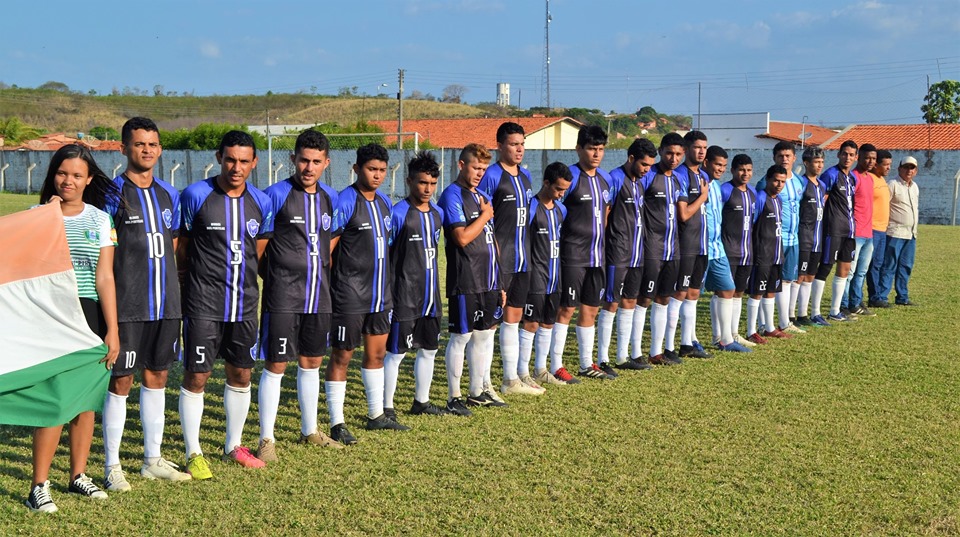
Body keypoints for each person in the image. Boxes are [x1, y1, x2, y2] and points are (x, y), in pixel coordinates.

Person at [28, 144, 120, 512]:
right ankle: (38, 485)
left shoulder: (101, 220)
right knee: (54, 400)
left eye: (77, 175)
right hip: (51, 315)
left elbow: (105, 278)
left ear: (89, 180)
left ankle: (78, 475)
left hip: (89, 315)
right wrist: (48, 217)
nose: (68, 180)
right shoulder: (36, 215)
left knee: (85, 401)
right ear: (53, 174)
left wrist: (112, 329)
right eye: (62, 173)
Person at [101, 118, 190, 492]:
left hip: (167, 306)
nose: (147, 150)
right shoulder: (111, 194)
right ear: (124, 148)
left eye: (153, 144)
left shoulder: (169, 194)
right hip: (128, 307)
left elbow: (173, 248)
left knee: (157, 378)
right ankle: (112, 464)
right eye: (139, 144)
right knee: (121, 382)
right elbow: (102, 250)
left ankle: (152, 459)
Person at [178, 130, 273, 477]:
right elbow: (183, 250)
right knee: (197, 376)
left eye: (244, 161)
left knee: (241, 374)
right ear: (219, 157)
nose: (236, 167)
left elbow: (256, 252)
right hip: (204, 303)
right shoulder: (195, 195)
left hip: (246, 304)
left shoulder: (262, 202)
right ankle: (193, 451)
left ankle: (233, 445)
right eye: (230, 159)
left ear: (254, 163)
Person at [257, 129, 343, 461]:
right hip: (283, 297)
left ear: (326, 163)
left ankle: (310, 430)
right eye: (303, 160)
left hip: (318, 297)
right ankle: (267, 439)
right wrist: (278, 278)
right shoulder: (274, 196)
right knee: (276, 364)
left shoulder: (330, 198)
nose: (309, 167)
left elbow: (328, 244)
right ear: (292, 159)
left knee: (311, 362)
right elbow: (259, 249)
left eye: (316, 162)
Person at [328, 143, 406, 442]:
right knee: (342, 356)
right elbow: (329, 250)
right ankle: (337, 422)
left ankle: (376, 415)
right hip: (349, 294)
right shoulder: (344, 201)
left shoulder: (386, 203)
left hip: (380, 295)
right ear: (356, 168)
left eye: (382, 170)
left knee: (376, 355)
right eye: (371, 169)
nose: (377, 175)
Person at [383, 151, 454, 417]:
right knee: (397, 353)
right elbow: (386, 253)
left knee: (430, 349)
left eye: (433, 183)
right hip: (403, 295)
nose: (428, 188)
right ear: (410, 181)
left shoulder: (438, 213)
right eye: (423, 183)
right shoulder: (398, 213)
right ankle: (386, 406)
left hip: (431, 296)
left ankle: (421, 402)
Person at [438, 143, 505, 410]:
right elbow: (462, 237)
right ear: (461, 165)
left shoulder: (483, 195)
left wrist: (500, 280)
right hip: (465, 279)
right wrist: (486, 214)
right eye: (476, 167)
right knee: (461, 336)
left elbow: (492, 240)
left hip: (489, 280)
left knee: (485, 335)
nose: (480, 173)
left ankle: (477, 390)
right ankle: (453, 397)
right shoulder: (451, 195)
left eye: (484, 168)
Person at [477, 122, 541, 396]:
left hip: (522, 259)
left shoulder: (525, 176)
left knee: (513, 319)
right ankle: (482, 381)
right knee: (491, 322)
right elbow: (482, 217)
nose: (519, 149)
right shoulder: (491, 175)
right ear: (500, 146)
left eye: (522, 144)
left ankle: (510, 378)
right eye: (514, 144)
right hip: (500, 260)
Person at [549, 125, 614, 381]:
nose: (596, 154)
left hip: (598, 256)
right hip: (573, 256)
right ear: (579, 149)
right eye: (591, 149)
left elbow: (605, 214)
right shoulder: (571, 176)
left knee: (591, 308)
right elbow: (554, 210)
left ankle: (587, 363)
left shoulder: (606, 179)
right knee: (566, 309)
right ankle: (556, 365)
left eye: (600, 149)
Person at [596, 138, 658, 371]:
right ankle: (603, 359)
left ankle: (623, 356)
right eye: (644, 164)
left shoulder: (640, 181)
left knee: (630, 301)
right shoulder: (615, 178)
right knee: (611, 303)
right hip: (617, 251)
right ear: (631, 159)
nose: (647, 169)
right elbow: (604, 212)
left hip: (637, 252)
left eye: (650, 165)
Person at [639, 133, 685, 365]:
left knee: (664, 298)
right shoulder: (649, 176)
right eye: (669, 153)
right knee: (644, 299)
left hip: (673, 248)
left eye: (678, 154)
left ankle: (657, 351)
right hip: (651, 248)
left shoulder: (678, 179)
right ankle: (635, 352)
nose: (673, 158)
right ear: (660, 151)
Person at [526, 163, 573, 386]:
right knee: (531, 323)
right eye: (558, 189)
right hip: (536, 274)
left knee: (548, 322)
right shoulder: (531, 208)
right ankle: (521, 372)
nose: (561, 194)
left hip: (555, 274)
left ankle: (541, 369)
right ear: (546, 183)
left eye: (565, 190)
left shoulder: (561, 210)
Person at [667, 130, 712, 359]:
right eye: (697, 147)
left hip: (702, 245)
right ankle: (669, 346)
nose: (702, 151)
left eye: (704, 147)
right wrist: (702, 197)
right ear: (686, 149)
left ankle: (687, 343)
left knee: (693, 293)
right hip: (685, 245)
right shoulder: (680, 175)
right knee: (679, 293)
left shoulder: (704, 175)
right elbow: (683, 215)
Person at [755, 142, 806, 334]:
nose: (784, 159)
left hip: (793, 238)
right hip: (774, 239)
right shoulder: (764, 183)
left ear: (794, 158)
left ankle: (785, 321)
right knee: (765, 283)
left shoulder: (799, 181)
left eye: (788, 156)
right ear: (774, 158)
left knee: (786, 281)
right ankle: (763, 323)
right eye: (780, 156)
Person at [703, 146, 750, 353]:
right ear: (707, 163)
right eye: (717, 164)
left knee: (727, 289)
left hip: (717, 248)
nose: (720, 169)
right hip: (699, 248)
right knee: (688, 295)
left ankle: (725, 339)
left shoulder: (715, 186)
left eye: (723, 165)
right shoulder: (705, 184)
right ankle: (690, 341)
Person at [744, 166, 792, 344]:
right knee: (757, 292)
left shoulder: (778, 200)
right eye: (776, 181)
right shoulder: (761, 197)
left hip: (776, 254)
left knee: (771, 291)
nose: (779, 185)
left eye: (783, 182)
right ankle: (751, 331)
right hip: (762, 254)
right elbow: (751, 225)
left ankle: (769, 327)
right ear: (768, 179)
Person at [815, 140, 859, 323]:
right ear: (839, 154)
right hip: (833, 229)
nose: (847, 157)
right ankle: (815, 312)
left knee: (845, 268)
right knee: (825, 268)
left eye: (851, 155)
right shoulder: (830, 175)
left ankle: (834, 311)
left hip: (849, 231)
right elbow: (820, 199)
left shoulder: (852, 178)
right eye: (844, 154)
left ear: (856, 157)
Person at [719, 154, 759, 347]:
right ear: (733, 170)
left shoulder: (752, 192)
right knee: (723, 293)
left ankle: (734, 333)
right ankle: (719, 335)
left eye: (749, 170)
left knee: (738, 293)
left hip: (747, 252)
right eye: (742, 170)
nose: (746, 173)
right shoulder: (725, 191)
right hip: (728, 251)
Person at [794, 148, 830, 327]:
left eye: (822, 162)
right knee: (798, 276)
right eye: (816, 162)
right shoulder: (801, 183)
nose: (820, 165)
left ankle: (803, 314)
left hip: (817, 238)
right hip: (804, 237)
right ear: (806, 163)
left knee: (810, 276)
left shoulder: (822, 185)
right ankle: (790, 316)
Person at [877, 156, 920, 306]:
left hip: (911, 233)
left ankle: (902, 296)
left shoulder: (914, 187)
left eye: (912, 168)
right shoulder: (892, 184)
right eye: (906, 167)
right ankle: (882, 296)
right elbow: (883, 206)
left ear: (916, 170)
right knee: (889, 265)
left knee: (906, 265)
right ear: (899, 168)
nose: (909, 170)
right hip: (894, 232)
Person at [841, 143, 878, 317]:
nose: (870, 161)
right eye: (867, 158)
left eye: (873, 158)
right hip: (855, 233)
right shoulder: (853, 178)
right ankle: (843, 305)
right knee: (849, 272)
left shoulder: (870, 178)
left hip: (868, 233)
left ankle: (856, 303)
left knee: (862, 272)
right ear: (859, 158)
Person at [867, 150, 893, 308]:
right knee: (870, 265)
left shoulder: (882, 179)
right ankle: (873, 297)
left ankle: (876, 295)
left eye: (890, 164)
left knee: (878, 264)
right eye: (886, 165)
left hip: (883, 230)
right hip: (872, 229)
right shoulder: (870, 179)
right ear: (876, 165)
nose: (889, 168)